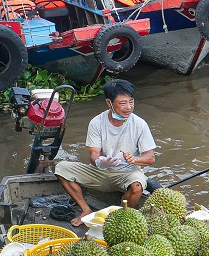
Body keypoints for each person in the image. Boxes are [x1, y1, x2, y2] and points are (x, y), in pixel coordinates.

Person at [55, 79, 156, 226]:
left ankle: (120, 219)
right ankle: (85, 210)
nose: (128, 107)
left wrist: (134, 159)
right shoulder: (97, 122)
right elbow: (93, 154)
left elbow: (150, 157)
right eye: (122, 103)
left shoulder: (139, 124)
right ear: (109, 103)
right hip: (101, 173)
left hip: (127, 174)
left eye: (131, 102)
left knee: (137, 186)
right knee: (61, 168)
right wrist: (101, 161)